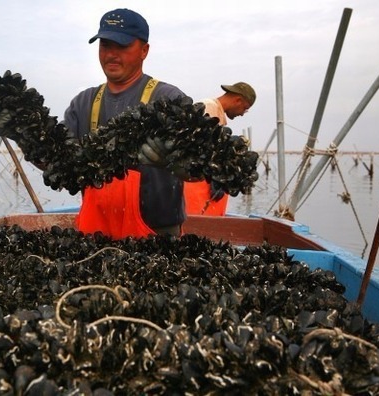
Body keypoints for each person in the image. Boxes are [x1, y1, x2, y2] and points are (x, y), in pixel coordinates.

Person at [62, 8, 188, 240]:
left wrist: (174, 162)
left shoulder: (168, 99)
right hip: (94, 236)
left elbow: (197, 170)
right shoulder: (82, 103)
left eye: (122, 46)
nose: (111, 54)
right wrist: (27, 137)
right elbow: (59, 165)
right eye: (105, 45)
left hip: (156, 236)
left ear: (144, 50)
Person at [183, 82, 256, 216]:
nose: (243, 114)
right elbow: (200, 149)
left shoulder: (216, 111)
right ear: (238, 100)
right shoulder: (209, 108)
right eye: (245, 108)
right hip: (194, 185)